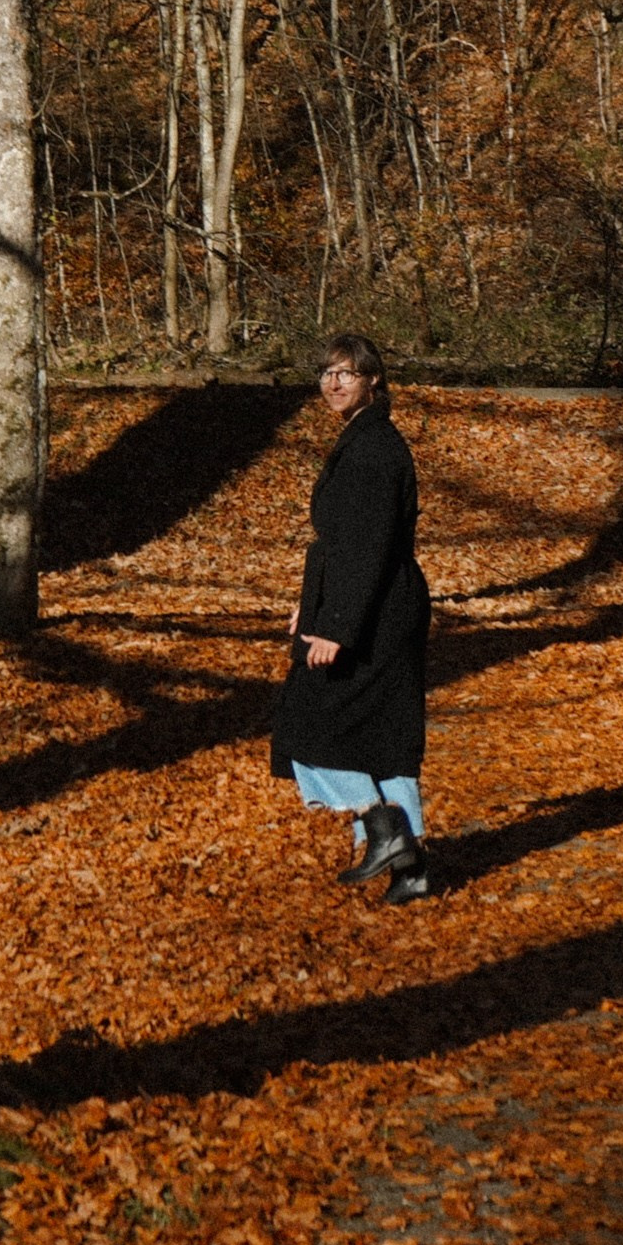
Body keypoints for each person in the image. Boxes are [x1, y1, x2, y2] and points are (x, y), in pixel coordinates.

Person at [271, 331, 432, 902]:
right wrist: (307, 605)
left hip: (375, 612)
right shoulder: (368, 441)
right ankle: (412, 874)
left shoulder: (372, 450)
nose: (332, 384)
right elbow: (349, 546)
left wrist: (334, 626)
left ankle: (383, 828)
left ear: (373, 380)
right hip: (379, 603)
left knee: (306, 727)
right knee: (386, 737)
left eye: (346, 373)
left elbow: (366, 547)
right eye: (325, 374)